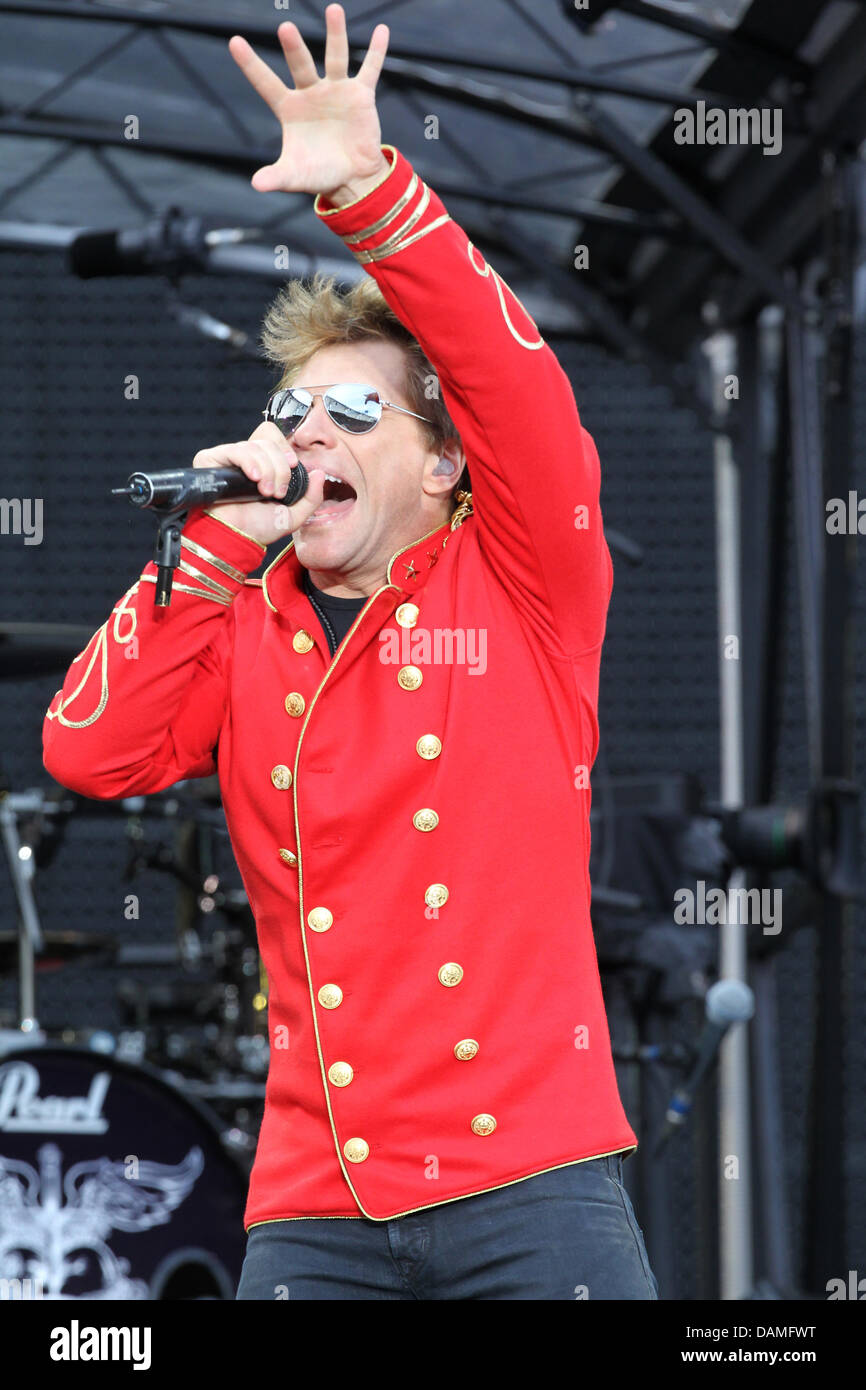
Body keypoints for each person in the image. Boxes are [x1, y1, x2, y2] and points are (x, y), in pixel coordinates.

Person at [42, 4, 658, 1301]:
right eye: (288, 412)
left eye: (353, 410)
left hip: (528, 1186)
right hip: (319, 1199)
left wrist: (372, 194)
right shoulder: (244, 612)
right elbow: (88, 754)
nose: (307, 432)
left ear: (441, 461)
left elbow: (515, 381)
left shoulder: (524, 580)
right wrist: (211, 541)